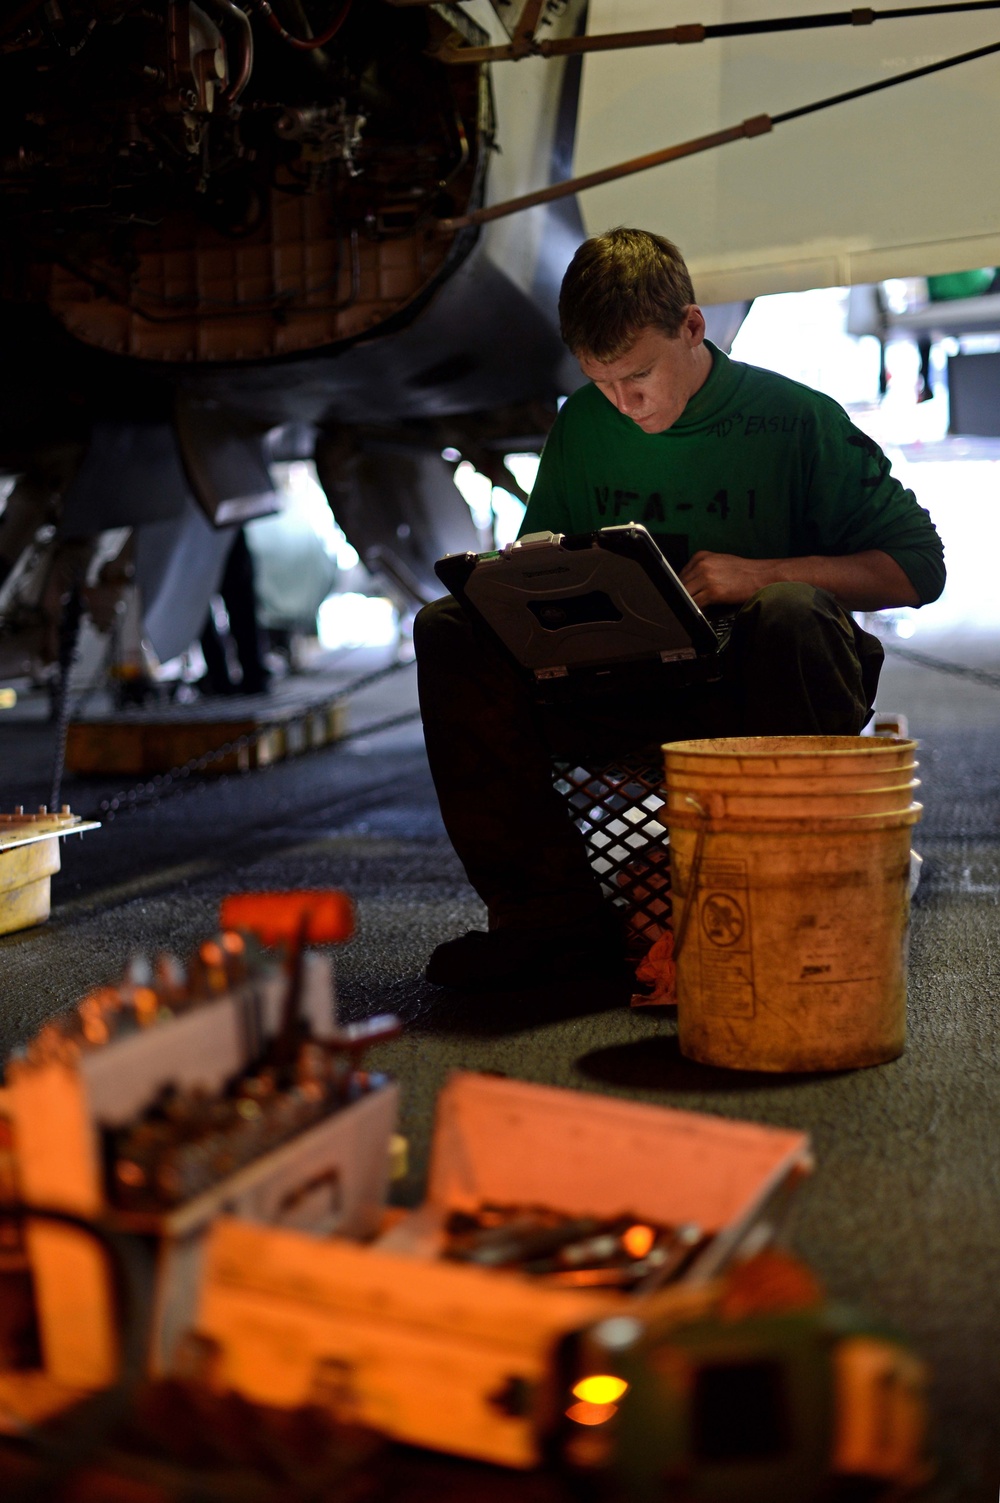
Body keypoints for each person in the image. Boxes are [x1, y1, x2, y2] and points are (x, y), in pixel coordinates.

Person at [413, 228, 946, 990]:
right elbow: (539, 574)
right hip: (619, 688)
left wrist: (758, 575)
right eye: (601, 382)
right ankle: (553, 925)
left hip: (757, 693)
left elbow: (918, 569)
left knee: (791, 612)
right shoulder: (585, 425)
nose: (623, 404)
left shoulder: (795, 420)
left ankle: (779, 900)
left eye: (637, 377)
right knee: (449, 628)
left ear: (692, 328)